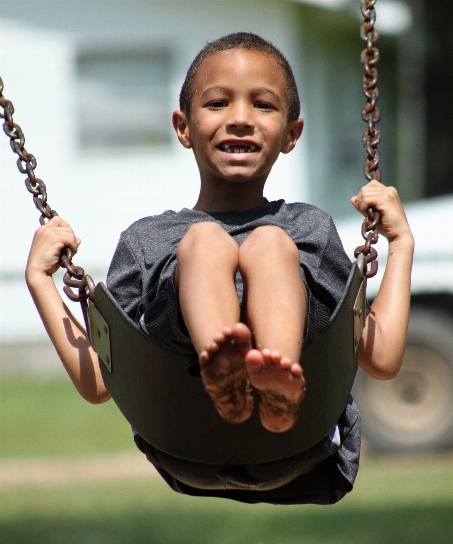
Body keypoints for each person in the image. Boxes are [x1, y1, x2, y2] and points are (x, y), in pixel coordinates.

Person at [25, 33, 414, 505]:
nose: (241, 119)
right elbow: (101, 381)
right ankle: (223, 367)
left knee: (271, 243)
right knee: (204, 241)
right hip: (188, 433)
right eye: (218, 102)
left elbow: (382, 357)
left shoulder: (308, 228)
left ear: (292, 133)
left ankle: (275, 383)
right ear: (184, 126)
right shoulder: (147, 240)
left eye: (264, 105)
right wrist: (40, 279)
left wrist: (401, 243)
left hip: (293, 436)